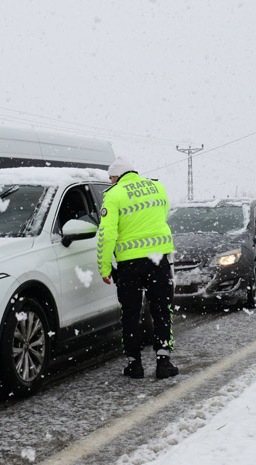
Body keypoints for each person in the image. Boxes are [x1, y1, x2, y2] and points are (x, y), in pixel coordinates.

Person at [96, 157, 178, 379]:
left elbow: (106, 234)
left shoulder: (114, 195)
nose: (111, 182)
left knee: (131, 314)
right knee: (162, 311)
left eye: (111, 178)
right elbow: (161, 216)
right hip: (158, 260)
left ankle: (135, 364)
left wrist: (104, 268)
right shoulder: (157, 187)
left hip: (129, 265)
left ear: (116, 176)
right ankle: (163, 362)